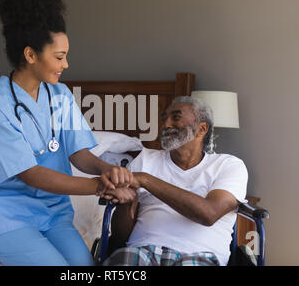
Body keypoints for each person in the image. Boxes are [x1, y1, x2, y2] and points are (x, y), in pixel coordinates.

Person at [0, 0, 134, 266]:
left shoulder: (60, 94)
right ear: (30, 55)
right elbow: (31, 174)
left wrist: (107, 170)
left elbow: (79, 153)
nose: (66, 64)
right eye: (59, 56)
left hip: (52, 211)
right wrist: (99, 187)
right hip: (5, 211)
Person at [102, 96, 248, 266]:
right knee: (121, 263)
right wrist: (125, 203)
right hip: (142, 251)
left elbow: (209, 214)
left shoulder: (228, 165)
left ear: (201, 129)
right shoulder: (145, 160)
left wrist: (146, 180)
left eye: (176, 118)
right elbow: (120, 237)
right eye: (164, 119)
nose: (166, 125)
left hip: (200, 255)